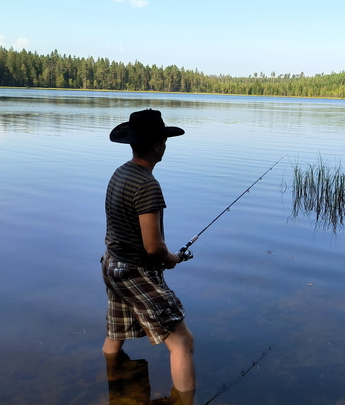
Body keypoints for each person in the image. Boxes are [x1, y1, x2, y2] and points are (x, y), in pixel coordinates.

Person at [101, 109, 195, 404]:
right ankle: (184, 402)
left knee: (117, 331)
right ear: (157, 144)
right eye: (164, 140)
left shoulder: (121, 173)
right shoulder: (147, 185)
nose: (165, 146)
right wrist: (170, 258)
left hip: (111, 264)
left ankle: (112, 377)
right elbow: (153, 247)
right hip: (135, 272)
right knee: (181, 342)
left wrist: (164, 256)